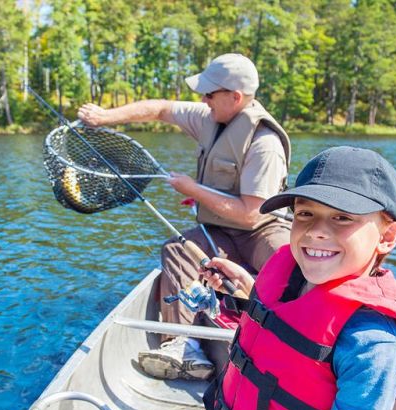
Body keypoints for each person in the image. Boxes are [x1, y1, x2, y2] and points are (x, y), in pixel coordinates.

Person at [106, 146, 396, 410]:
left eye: (343, 218)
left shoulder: (374, 346)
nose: (317, 230)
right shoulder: (287, 272)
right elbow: (286, 332)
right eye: (305, 213)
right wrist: (248, 289)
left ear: (387, 237)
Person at [78, 53, 291, 381]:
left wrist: (194, 189)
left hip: (262, 228)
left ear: (235, 97)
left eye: (210, 94)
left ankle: (296, 342)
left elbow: (251, 214)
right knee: (177, 250)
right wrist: (106, 117)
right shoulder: (209, 117)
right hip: (219, 229)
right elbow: (161, 109)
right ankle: (182, 344)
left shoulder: (265, 143)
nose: (203, 100)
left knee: (289, 263)